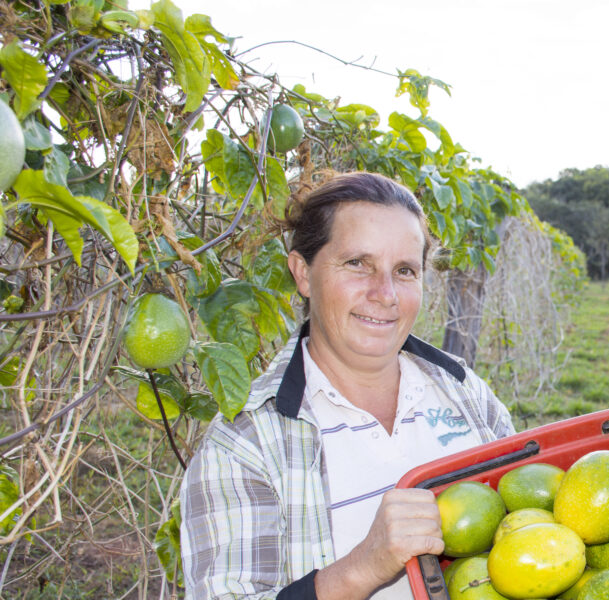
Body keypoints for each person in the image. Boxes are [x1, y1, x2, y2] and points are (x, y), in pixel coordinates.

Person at [181, 172, 515, 599]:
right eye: (358, 263)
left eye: (405, 270)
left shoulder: (465, 393)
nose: (385, 293)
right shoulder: (246, 444)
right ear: (303, 273)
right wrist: (364, 567)